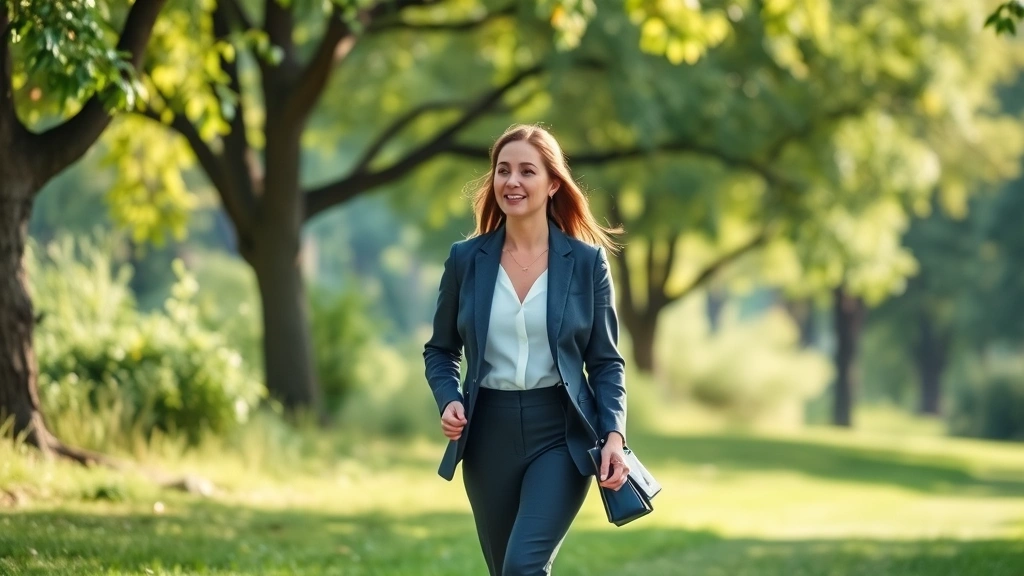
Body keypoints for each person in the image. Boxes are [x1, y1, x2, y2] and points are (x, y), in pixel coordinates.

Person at [423, 124, 630, 575]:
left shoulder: (587, 263)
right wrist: (449, 398)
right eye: (503, 170)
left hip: (560, 433)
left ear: (553, 183)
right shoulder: (465, 260)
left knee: (522, 567)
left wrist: (614, 434)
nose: (512, 182)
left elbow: (606, 362)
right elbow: (440, 350)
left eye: (526, 171)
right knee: (504, 570)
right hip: (485, 434)